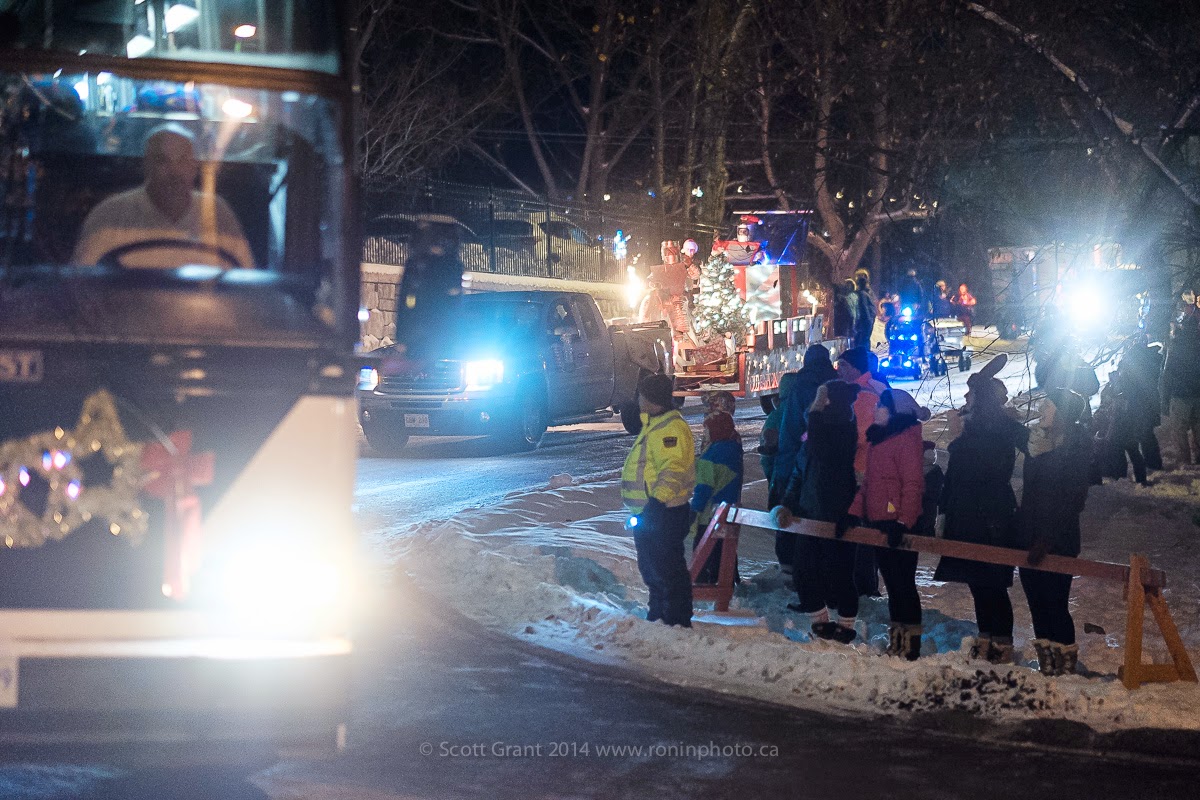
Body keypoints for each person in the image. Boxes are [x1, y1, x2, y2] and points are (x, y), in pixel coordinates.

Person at [934, 354, 1030, 664]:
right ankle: (987, 636)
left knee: (991, 583)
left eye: (970, 392)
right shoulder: (979, 427)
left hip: (989, 516)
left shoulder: (994, 429)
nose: (965, 397)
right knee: (978, 582)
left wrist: (956, 439)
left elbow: (975, 466)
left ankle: (1000, 643)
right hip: (970, 514)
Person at [72, 125, 254, 269]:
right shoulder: (109, 215)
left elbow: (244, 284)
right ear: (146, 166)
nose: (174, 171)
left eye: (182, 160)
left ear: (194, 167)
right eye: (162, 161)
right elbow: (81, 287)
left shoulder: (217, 213)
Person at [774, 380, 862, 643]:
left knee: (841, 575)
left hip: (837, 517)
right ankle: (822, 626)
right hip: (810, 515)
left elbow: (822, 447)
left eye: (820, 399)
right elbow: (799, 475)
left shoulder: (842, 432)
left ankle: (845, 629)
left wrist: (817, 407)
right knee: (803, 573)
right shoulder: (812, 441)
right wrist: (788, 504)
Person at [844, 388, 928, 659]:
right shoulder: (878, 440)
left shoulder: (904, 439)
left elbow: (913, 484)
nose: (876, 407)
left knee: (903, 584)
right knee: (892, 584)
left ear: (896, 412)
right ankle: (898, 639)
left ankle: (910, 643)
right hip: (879, 522)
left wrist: (903, 521)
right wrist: (853, 512)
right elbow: (868, 485)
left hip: (896, 524)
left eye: (882, 404)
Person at [1017, 388, 1092, 676]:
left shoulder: (1075, 449)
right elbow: (1031, 495)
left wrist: (1048, 538)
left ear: (1062, 413)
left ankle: (1065, 661)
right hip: (1029, 536)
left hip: (1058, 540)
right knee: (1036, 601)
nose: (1040, 412)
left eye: (1047, 407)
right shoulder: (1038, 443)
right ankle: (1046, 659)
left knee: (1055, 603)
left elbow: (1072, 499)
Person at [622, 373, 697, 627]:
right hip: (649, 511)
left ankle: (676, 618)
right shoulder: (655, 423)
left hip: (664, 511)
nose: (638, 399)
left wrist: (657, 502)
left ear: (651, 399)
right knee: (651, 565)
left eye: (641, 395)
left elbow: (673, 469)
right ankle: (658, 612)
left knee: (667, 566)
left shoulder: (670, 429)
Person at [771, 345, 838, 567]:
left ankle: (795, 569)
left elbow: (790, 429)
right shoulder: (838, 385)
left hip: (799, 460)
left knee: (794, 516)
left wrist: (783, 466)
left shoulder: (800, 387)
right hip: (829, 465)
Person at [692, 411, 744, 584]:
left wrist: (694, 510)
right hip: (730, 512)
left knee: (704, 553)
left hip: (710, 515)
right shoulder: (734, 450)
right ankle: (731, 583)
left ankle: (704, 586)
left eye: (706, 430)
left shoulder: (710, 456)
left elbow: (704, 488)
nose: (704, 434)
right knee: (726, 553)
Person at [1164, 294, 1200, 465]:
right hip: (1198, 394)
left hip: (1180, 395)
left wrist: (1164, 398)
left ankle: (1185, 463)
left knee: (1180, 433)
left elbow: (1168, 373)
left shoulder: (1176, 347)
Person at [758, 371, 798, 504]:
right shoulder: (807, 411)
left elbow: (766, 457)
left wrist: (772, 479)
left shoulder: (776, 416)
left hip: (781, 477)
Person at [853, 274, 875, 349]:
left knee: (865, 338)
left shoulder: (865, 293)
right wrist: (869, 319)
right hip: (866, 321)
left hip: (867, 320)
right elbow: (864, 307)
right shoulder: (863, 294)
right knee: (865, 338)